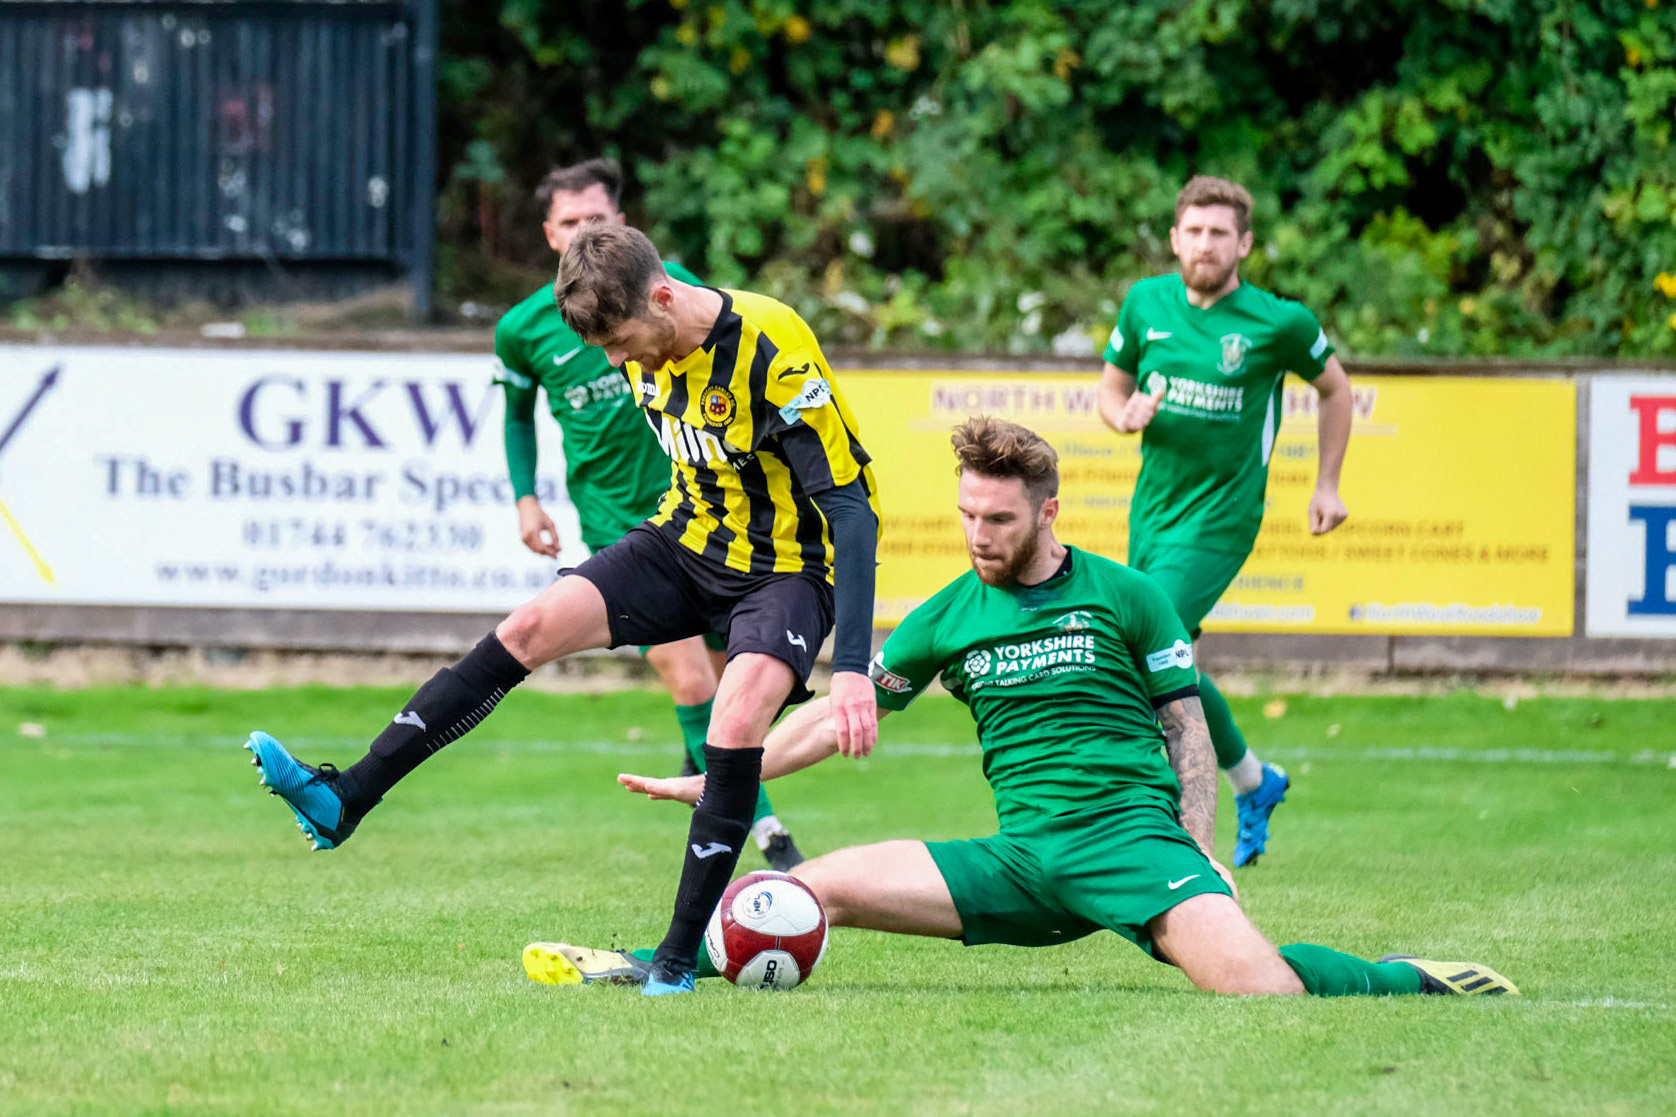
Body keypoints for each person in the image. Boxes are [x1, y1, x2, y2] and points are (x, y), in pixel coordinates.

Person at [527, 418, 1514, 999]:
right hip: (1018, 857)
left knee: (1262, 991)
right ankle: (641, 964)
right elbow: (834, 715)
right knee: (805, 887)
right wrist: (720, 774)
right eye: (964, 516)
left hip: (1135, 845)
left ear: (1047, 513)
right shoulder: (946, 615)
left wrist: (1201, 843)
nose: (977, 536)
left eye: (996, 519)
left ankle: (1404, 977)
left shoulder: (1127, 593)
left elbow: (1185, 725)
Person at [245, 223, 882, 997]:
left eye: (621, 341)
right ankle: (344, 798)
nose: (617, 362)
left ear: (663, 294)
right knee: (528, 627)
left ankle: (675, 962)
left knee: (736, 714)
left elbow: (849, 509)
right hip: (687, 537)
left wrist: (850, 668)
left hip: (789, 567)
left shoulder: (769, 344)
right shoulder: (638, 340)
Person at [494, 157, 803, 870]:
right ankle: (769, 836)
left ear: (622, 224)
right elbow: (516, 415)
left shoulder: (670, 293)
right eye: (569, 222)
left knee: (736, 687)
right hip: (617, 523)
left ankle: (703, 782)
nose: (582, 232)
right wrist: (526, 497)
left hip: (708, 514)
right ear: (548, 233)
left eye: (596, 220)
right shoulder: (523, 327)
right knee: (692, 680)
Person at [1096, 175, 1354, 868]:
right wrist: (1121, 415)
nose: (1204, 243)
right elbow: (1112, 385)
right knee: (1166, 655)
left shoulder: (1279, 323)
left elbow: (1336, 388)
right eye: (1193, 230)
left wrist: (1326, 483)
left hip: (1221, 519)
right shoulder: (1145, 302)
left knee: (1137, 647)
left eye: (1219, 232)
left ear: (1243, 242)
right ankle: (1255, 781)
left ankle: (1159, 816)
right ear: (1175, 237)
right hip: (1152, 514)